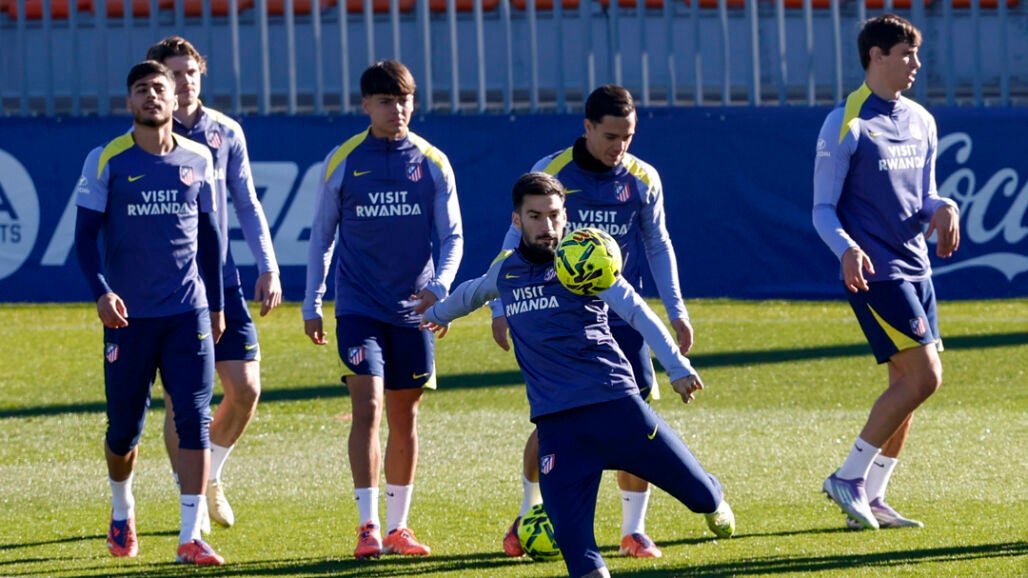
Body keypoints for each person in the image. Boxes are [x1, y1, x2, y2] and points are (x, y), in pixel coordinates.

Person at [422, 172, 732, 578]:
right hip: (558, 430)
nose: (546, 226)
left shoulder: (584, 261)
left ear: (565, 216)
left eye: (554, 215)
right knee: (577, 551)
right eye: (535, 216)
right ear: (516, 220)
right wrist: (435, 313)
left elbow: (637, 312)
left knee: (701, 496)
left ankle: (714, 500)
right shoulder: (507, 273)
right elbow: (473, 292)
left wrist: (677, 368)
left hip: (617, 410)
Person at [491, 85, 724, 558]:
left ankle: (633, 530)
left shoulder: (642, 177)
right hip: (562, 313)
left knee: (634, 419)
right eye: (611, 136)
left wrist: (676, 310)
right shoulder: (553, 171)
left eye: (628, 136)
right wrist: (500, 308)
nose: (620, 146)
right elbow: (513, 241)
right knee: (555, 420)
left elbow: (658, 243)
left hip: (622, 315)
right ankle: (529, 510)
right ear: (588, 128)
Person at [303, 59, 463, 559]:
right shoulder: (345, 159)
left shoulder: (432, 162)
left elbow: (453, 236)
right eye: (386, 101)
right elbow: (321, 238)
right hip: (358, 306)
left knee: (404, 414)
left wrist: (440, 289)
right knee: (368, 407)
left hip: (414, 310)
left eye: (404, 100)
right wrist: (312, 301)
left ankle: (399, 527)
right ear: (366, 105)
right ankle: (368, 526)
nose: (397, 110)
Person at [73, 60, 227, 565]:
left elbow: (210, 237)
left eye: (159, 88)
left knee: (195, 419)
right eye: (142, 89)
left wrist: (217, 305)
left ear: (174, 97)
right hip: (129, 319)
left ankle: (190, 535)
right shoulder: (107, 159)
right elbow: (84, 239)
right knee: (123, 432)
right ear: (129, 102)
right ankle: (123, 508)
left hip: (188, 313)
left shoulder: (199, 157)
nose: (152, 96)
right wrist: (102, 293)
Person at [813, 14, 960, 530]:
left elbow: (924, 196)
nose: (916, 63)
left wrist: (943, 208)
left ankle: (872, 497)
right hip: (876, 272)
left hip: (918, 268)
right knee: (926, 376)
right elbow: (822, 209)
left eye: (916, 53)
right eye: (905, 54)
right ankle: (848, 477)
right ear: (876, 56)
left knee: (909, 385)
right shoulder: (845, 122)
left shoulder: (921, 120)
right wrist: (847, 249)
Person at [145, 36, 282, 532]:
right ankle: (192, 499)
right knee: (183, 400)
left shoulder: (225, 131)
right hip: (173, 285)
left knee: (245, 388)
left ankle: (210, 476)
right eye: (174, 74)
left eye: (190, 72)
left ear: (201, 74)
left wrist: (268, 264)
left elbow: (246, 202)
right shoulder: (147, 137)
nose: (184, 82)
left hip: (222, 278)